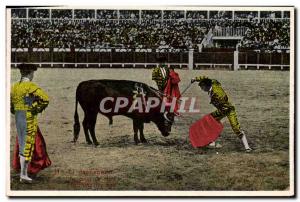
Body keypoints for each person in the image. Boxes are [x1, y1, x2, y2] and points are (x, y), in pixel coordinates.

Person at [11, 63, 50, 183]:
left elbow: (10, 104)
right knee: (28, 144)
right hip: (28, 117)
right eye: (32, 73)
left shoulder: (15, 86)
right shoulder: (30, 86)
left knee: (22, 143)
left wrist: (17, 110)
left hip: (18, 116)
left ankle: (22, 173)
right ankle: (23, 174)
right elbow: (45, 99)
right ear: (30, 73)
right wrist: (35, 108)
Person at [191, 76, 252, 152]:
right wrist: (195, 79)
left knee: (235, 128)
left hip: (228, 109)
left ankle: (247, 147)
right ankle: (211, 142)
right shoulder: (213, 82)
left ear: (206, 86)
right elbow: (206, 78)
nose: (201, 89)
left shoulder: (218, 93)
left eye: (202, 87)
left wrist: (218, 117)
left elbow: (225, 106)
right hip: (222, 108)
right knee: (209, 122)